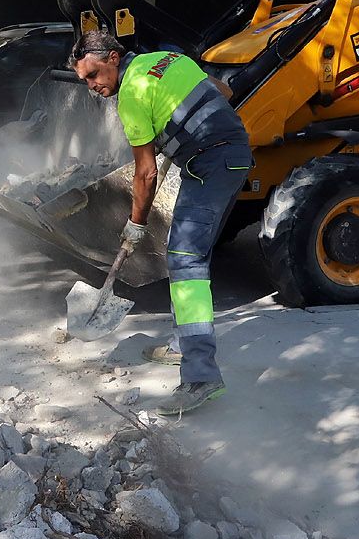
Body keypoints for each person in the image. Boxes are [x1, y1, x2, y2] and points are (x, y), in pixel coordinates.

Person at [70, 29, 252, 416]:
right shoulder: (166, 60)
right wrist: (182, 124)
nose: (91, 86)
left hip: (211, 163)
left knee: (185, 260)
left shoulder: (132, 94)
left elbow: (146, 173)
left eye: (93, 75)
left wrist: (136, 224)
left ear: (114, 58)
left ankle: (201, 376)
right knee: (192, 254)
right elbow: (224, 91)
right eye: (84, 80)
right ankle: (181, 342)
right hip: (231, 156)